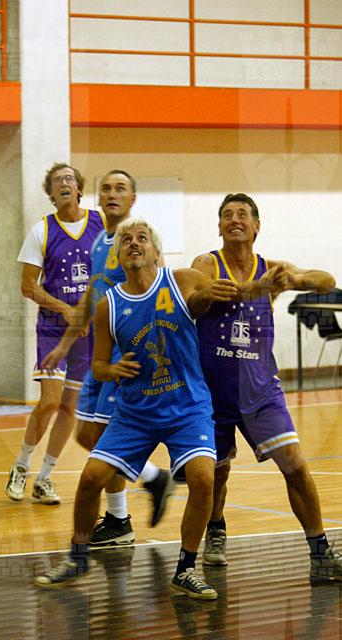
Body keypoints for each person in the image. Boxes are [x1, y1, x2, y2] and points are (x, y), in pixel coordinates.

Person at [33, 218, 241, 598]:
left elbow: (203, 301)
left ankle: (185, 569)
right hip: (135, 414)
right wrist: (111, 370)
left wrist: (226, 292)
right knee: (90, 479)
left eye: (142, 238)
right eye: (126, 239)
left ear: (156, 251)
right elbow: (98, 365)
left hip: (187, 407)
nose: (133, 243)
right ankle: (77, 558)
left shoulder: (181, 281)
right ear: (118, 254)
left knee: (203, 479)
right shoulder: (108, 305)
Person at [192, 192, 342, 583]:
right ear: (219, 226)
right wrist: (210, 294)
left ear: (256, 226)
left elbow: (326, 281)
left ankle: (320, 553)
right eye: (227, 215)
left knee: (296, 465)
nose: (234, 219)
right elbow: (192, 302)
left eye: (242, 214)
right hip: (212, 393)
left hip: (260, 392)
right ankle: (216, 529)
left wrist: (296, 280)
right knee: (217, 475)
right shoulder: (207, 264)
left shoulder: (272, 269)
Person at [41, 171, 174, 544]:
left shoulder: (140, 240)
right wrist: (64, 345)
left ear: (133, 199)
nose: (112, 194)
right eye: (106, 188)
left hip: (128, 352)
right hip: (101, 353)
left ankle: (125, 512)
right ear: (97, 197)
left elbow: (160, 291)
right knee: (87, 433)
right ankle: (138, 495)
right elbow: (91, 294)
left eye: (120, 188)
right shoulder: (101, 241)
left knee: (104, 436)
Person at [5, 163, 105, 504]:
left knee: (69, 408)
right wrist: (65, 309)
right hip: (53, 327)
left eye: (69, 178)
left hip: (89, 332)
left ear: (79, 188)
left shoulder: (101, 224)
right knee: (49, 402)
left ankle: (45, 477)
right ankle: (21, 465)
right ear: (51, 193)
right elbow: (28, 286)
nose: (64, 183)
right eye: (57, 180)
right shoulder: (41, 231)